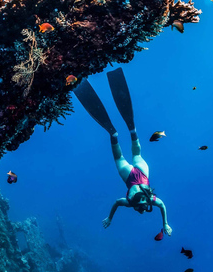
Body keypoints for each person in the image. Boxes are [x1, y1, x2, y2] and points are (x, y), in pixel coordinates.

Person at [74, 68, 172, 236]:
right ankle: (119, 133)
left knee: (134, 155)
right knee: (127, 156)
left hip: (138, 176)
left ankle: (126, 132)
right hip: (134, 177)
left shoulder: (142, 201)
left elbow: (160, 205)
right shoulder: (134, 202)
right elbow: (117, 203)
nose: (141, 209)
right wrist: (166, 224)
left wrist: (165, 223)